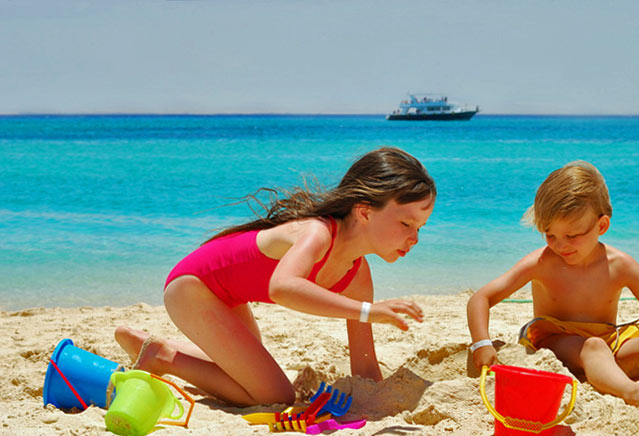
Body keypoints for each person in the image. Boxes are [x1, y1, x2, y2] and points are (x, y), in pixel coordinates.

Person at [115, 147, 435, 407]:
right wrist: (368, 311)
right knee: (275, 395)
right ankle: (162, 357)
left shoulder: (358, 275)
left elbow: (364, 365)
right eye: (406, 224)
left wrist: (382, 400)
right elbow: (283, 287)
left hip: (228, 296)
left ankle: (154, 345)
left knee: (247, 372)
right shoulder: (317, 233)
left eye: (419, 228)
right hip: (194, 288)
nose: (414, 238)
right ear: (365, 211)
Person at [466, 160, 639, 412]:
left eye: (572, 236)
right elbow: (481, 298)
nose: (560, 245)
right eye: (550, 234)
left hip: (607, 343)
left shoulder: (621, 266)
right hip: (555, 340)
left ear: (602, 226)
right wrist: (481, 343)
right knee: (594, 346)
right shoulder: (541, 262)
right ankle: (634, 392)